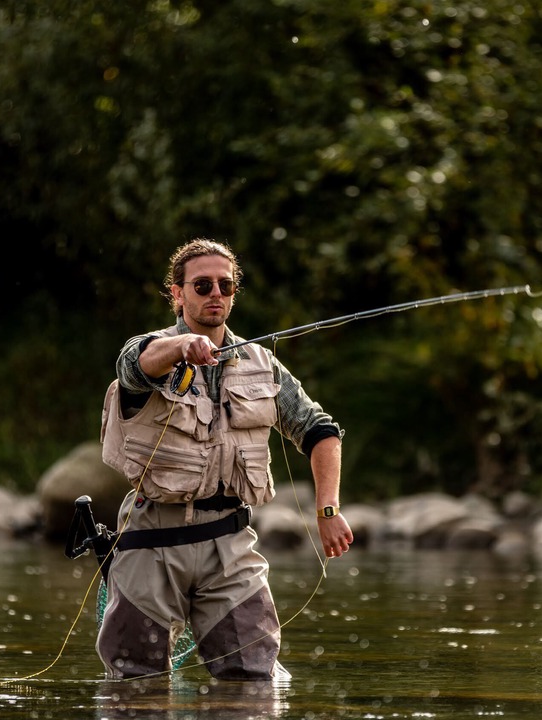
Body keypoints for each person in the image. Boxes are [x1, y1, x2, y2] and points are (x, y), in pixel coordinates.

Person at [97, 238, 353, 680]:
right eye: (202, 285)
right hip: (152, 541)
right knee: (135, 682)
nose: (215, 293)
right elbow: (133, 367)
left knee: (253, 679)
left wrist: (327, 509)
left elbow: (322, 432)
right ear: (176, 294)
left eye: (225, 285)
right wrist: (183, 348)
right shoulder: (149, 349)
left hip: (231, 545)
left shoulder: (263, 364)